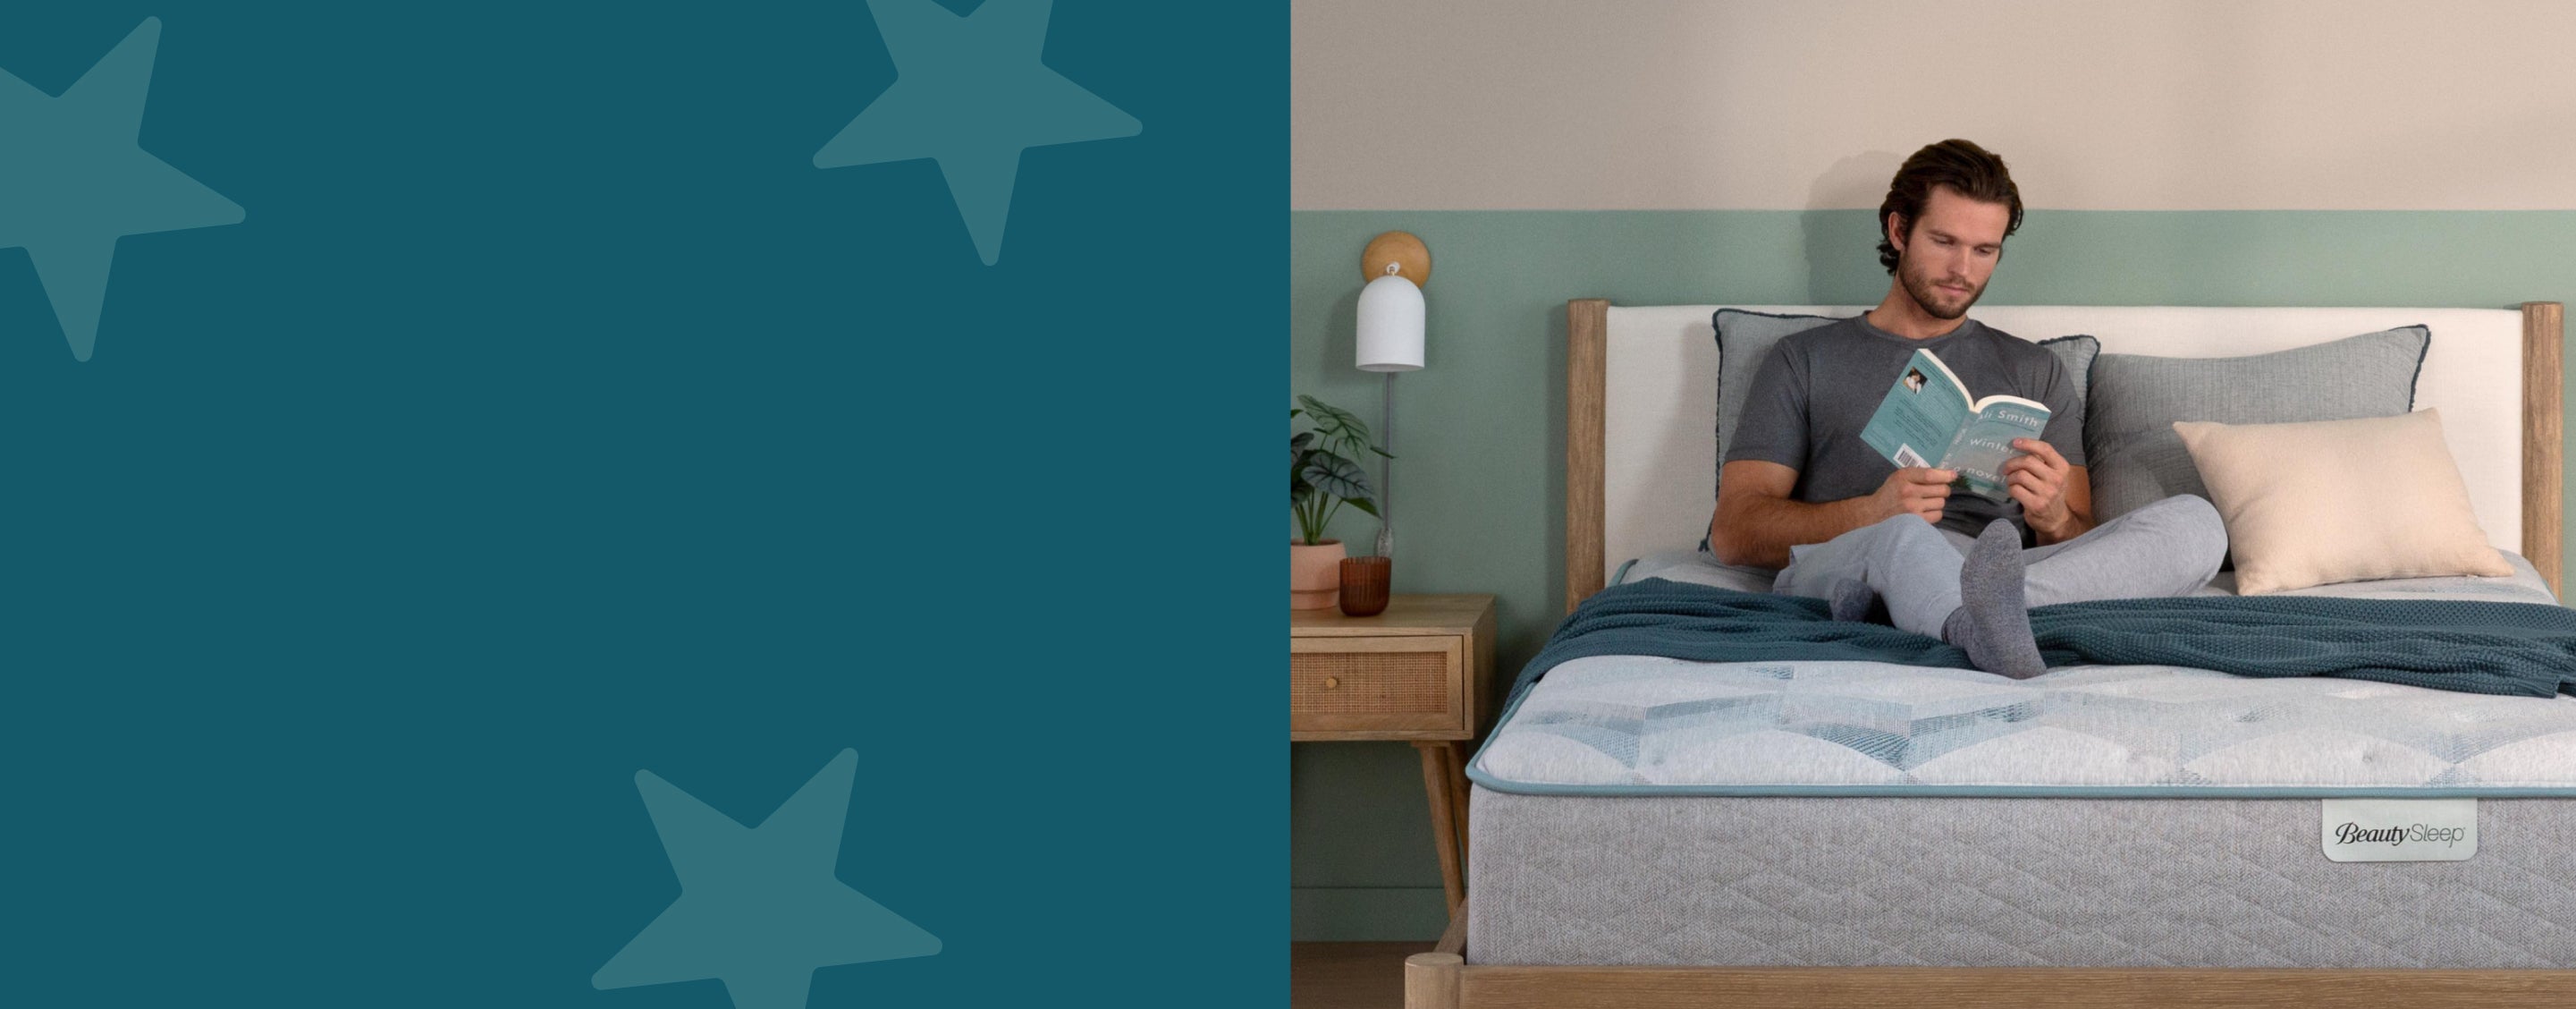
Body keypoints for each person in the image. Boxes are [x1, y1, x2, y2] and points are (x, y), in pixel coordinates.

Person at [1705, 140, 2226, 678]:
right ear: (1899, 231)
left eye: (1984, 250)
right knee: (1904, 538)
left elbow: (2081, 538)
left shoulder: (2035, 370)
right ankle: (1974, 618)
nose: (1962, 269)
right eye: (1944, 242)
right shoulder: (1804, 359)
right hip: (1859, 556)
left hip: (2000, 569)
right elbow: (1733, 532)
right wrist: (1871, 512)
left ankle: (1977, 614)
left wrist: (2054, 518)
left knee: (2198, 523)